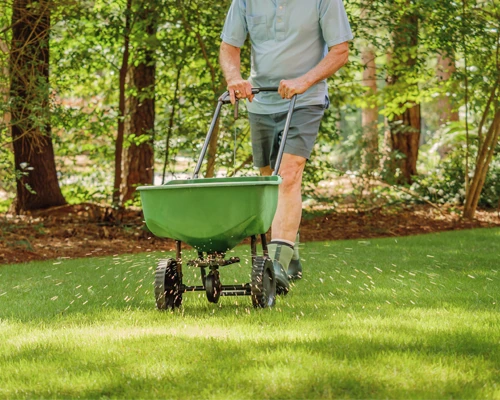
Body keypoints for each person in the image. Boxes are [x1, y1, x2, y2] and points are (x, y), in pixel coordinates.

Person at [219, 0, 353, 292]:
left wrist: (305, 81)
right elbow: (230, 46)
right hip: (260, 101)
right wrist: (234, 78)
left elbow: (340, 50)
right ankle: (289, 252)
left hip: (304, 99)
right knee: (269, 181)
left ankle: (276, 265)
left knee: (288, 175)